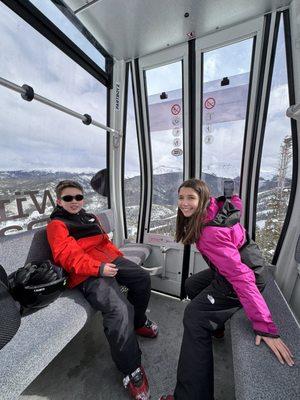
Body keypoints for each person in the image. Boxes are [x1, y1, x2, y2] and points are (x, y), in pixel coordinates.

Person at [160, 179, 294, 400]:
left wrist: (265, 326)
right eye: (181, 197)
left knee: (193, 316)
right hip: (241, 267)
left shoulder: (210, 233)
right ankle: (217, 325)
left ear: (202, 199)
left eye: (190, 198)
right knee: (191, 285)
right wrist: (232, 196)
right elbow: (236, 206)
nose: (184, 203)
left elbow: (241, 278)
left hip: (246, 275)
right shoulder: (215, 208)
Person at [46, 180, 158, 400]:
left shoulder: (88, 217)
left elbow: (103, 243)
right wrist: (98, 268)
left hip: (109, 260)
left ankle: (137, 322)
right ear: (59, 201)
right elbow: (67, 256)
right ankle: (131, 369)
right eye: (68, 198)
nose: (74, 202)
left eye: (78, 197)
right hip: (85, 272)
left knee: (142, 279)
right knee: (119, 309)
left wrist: (120, 259)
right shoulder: (57, 225)